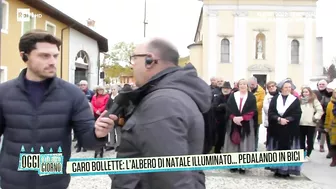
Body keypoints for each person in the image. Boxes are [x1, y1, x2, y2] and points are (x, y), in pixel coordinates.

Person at [0, 29, 116, 189]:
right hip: (12, 182)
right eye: (44, 56)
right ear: (24, 56)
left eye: (55, 56)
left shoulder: (72, 94)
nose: (52, 61)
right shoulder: (4, 93)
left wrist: (98, 134)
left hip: (54, 182)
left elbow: (87, 140)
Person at [110, 38, 211, 189]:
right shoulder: (171, 96)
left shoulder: (162, 103)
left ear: (150, 60)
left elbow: (170, 178)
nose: (132, 66)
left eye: (134, 58)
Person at [267, 79, 302, 177]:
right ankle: (277, 169)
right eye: (286, 87)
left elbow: (297, 113)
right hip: (276, 128)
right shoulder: (275, 99)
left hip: (290, 129)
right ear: (281, 88)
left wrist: (288, 119)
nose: (288, 89)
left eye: (289, 87)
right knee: (277, 148)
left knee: (288, 150)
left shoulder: (294, 100)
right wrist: (278, 119)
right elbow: (271, 112)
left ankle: (287, 170)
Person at [222, 78, 257, 174]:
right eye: (240, 84)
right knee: (233, 143)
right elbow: (228, 109)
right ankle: (233, 164)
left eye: (244, 84)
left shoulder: (251, 97)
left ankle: (243, 166)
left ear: (247, 86)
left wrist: (243, 118)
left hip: (246, 123)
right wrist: (233, 117)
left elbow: (253, 111)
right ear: (238, 85)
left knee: (245, 143)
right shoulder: (233, 96)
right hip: (233, 123)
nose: (242, 86)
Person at [299, 87, 323, 161]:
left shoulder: (314, 100)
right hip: (301, 123)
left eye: (306, 92)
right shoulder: (300, 101)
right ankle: (302, 154)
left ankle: (308, 155)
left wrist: (315, 117)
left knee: (309, 140)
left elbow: (320, 110)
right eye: (303, 92)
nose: (305, 93)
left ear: (309, 92)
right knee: (301, 140)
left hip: (310, 123)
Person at [91, 86, 110, 157]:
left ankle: (102, 147)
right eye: (98, 90)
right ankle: (97, 147)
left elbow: (106, 105)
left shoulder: (106, 96)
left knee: (103, 130)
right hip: (96, 115)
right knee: (96, 131)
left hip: (103, 115)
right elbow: (92, 104)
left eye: (101, 89)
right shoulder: (94, 96)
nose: (100, 91)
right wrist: (96, 110)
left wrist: (100, 110)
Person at [213, 81, 232, 153]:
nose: (225, 90)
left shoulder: (232, 97)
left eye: (227, 88)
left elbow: (231, 108)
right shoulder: (218, 97)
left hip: (229, 121)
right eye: (224, 88)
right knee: (219, 140)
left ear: (230, 90)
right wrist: (224, 106)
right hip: (219, 122)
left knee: (228, 140)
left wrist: (222, 106)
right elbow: (214, 107)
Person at [248, 76, 266, 151]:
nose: (251, 86)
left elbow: (261, 103)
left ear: (256, 83)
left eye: (252, 84)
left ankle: (254, 148)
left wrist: (251, 107)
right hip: (247, 115)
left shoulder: (261, 91)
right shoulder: (247, 89)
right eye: (250, 84)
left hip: (256, 115)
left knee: (255, 133)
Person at [324, 88, 336, 166]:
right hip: (333, 127)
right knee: (333, 145)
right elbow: (327, 116)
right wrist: (326, 126)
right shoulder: (330, 103)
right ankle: (334, 160)